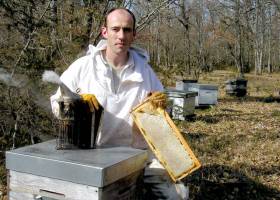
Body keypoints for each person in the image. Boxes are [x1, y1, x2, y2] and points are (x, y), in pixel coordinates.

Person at [51, 8, 188, 199]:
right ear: (104, 31)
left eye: (127, 30)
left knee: (177, 194)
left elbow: (162, 120)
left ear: (134, 34)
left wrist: (162, 106)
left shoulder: (145, 72)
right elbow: (56, 104)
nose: (121, 35)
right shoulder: (82, 68)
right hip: (92, 155)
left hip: (136, 156)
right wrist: (74, 105)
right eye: (115, 29)